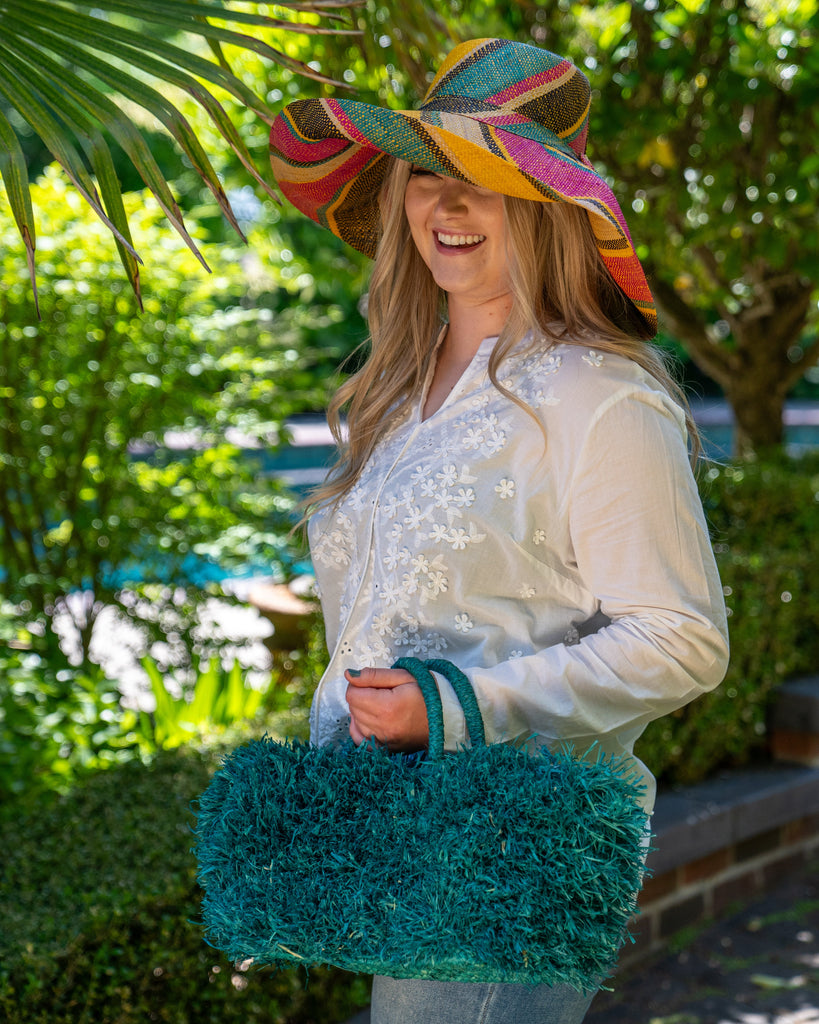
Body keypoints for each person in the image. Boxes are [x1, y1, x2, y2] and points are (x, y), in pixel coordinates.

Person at [269, 37, 729, 1024]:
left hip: (515, 847)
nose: (447, 204)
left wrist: (458, 706)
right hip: (406, 838)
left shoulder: (600, 397)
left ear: (549, 207)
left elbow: (683, 640)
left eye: (483, 177)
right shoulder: (395, 396)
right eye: (426, 174)